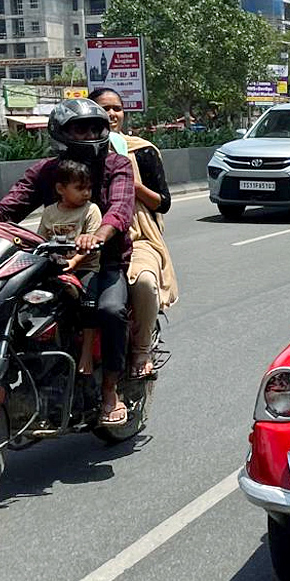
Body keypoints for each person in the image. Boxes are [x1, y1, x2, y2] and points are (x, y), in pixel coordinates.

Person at [0, 99, 136, 424]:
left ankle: (111, 391)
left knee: (110, 310)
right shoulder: (45, 172)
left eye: (95, 127)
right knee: (7, 306)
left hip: (103, 262)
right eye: (79, 128)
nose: (89, 134)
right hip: (52, 262)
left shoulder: (116, 166)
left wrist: (98, 235)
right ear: (61, 134)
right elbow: (5, 210)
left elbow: (121, 209)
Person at [91, 87, 178, 379]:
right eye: (104, 108)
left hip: (138, 237)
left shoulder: (142, 151)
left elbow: (163, 203)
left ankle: (141, 349)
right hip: (86, 238)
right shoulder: (78, 151)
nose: (112, 114)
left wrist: (132, 184)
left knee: (144, 284)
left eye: (117, 108)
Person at [38, 159, 103, 376]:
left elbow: (93, 244)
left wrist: (74, 262)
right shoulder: (49, 213)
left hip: (85, 268)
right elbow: (38, 241)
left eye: (88, 188)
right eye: (79, 188)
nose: (86, 193)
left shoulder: (91, 210)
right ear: (60, 189)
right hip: (56, 269)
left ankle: (86, 354)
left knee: (89, 303)